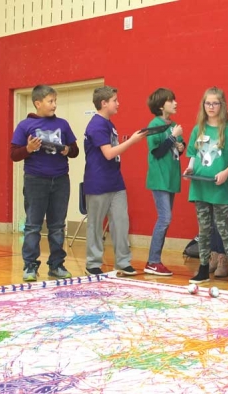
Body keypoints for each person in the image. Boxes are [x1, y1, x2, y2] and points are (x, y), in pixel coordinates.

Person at [11, 84, 79, 282]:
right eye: (50, 101)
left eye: (55, 101)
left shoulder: (63, 124)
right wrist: (29, 149)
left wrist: (67, 150)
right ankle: (30, 266)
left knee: (57, 226)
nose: (54, 105)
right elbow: (14, 154)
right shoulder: (25, 126)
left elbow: (74, 150)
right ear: (37, 103)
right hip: (35, 180)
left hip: (60, 180)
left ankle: (56, 265)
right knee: (33, 225)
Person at [83, 86, 147, 276]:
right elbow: (109, 153)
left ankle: (123, 261)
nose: (118, 103)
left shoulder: (109, 124)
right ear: (104, 103)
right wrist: (132, 141)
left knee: (121, 222)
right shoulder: (96, 125)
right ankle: (93, 262)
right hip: (98, 182)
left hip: (115, 181)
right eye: (115, 100)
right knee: (95, 224)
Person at [184, 86, 228, 285]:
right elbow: (192, 154)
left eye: (215, 103)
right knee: (204, 230)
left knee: (224, 230)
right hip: (200, 186)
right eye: (207, 103)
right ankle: (202, 269)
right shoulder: (198, 129)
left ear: (222, 105)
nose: (211, 107)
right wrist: (189, 169)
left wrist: (226, 173)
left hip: (219, 188)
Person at [144, 88, 185, 276]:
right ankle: (153, 261)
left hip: (171, 178)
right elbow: (158, 152)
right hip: (159, 178)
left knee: (166, 219)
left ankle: (154, 260)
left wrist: (180, 145)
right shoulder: (154, 125)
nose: (176, 103)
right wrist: (172, 137)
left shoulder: (174, 125)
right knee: (165, 218)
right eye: (171, 100)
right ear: (161, 105)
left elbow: (179, 148)